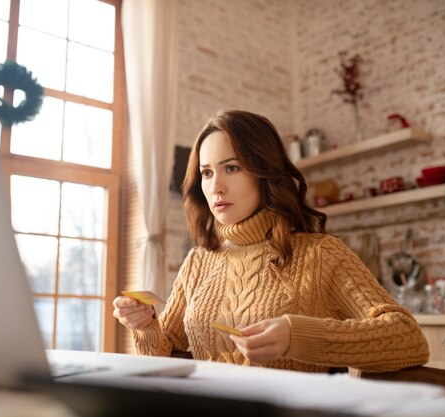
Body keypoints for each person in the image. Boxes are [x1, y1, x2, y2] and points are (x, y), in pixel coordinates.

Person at [113, 110, 429, 373]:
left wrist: (298, 335)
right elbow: (163, 355)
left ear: (264, 173)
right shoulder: (199, 261)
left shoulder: (320, 254)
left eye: (232, 168)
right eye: (207, 173)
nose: (216, 187)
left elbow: (408, 336)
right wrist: (145, 326)